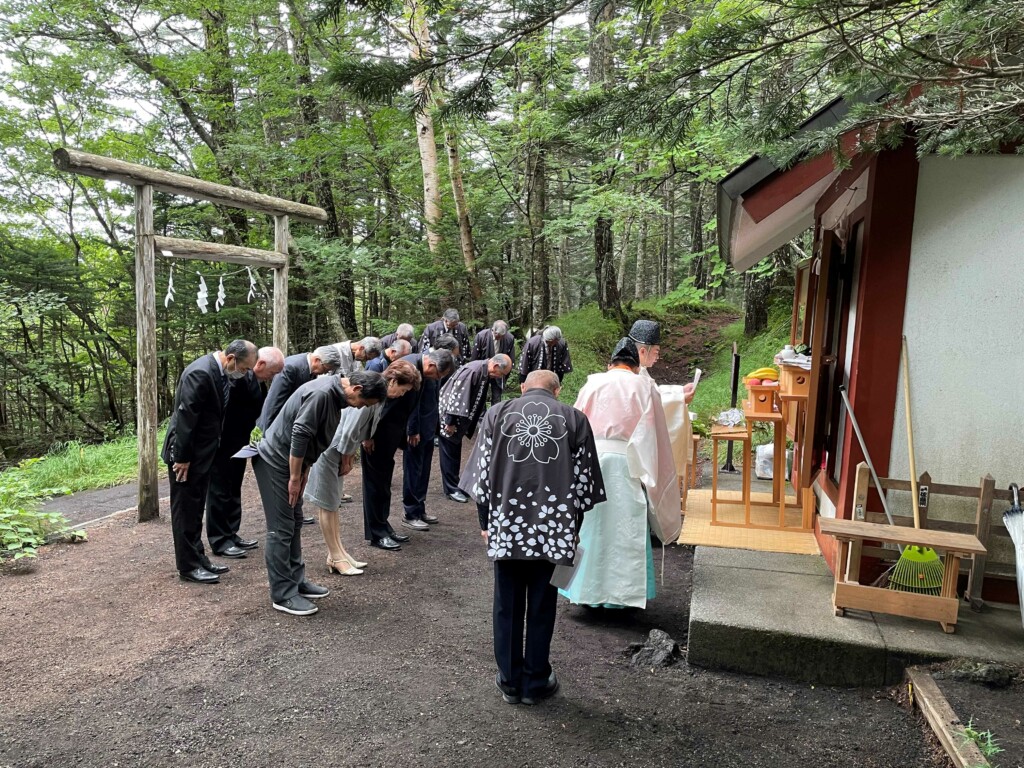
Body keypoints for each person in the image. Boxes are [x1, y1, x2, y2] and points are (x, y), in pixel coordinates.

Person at [459, 370, 606, 706]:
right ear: (557, 390)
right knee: (542, 604)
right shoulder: (575, 418)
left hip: (507, 526)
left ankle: (510, 680)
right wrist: (572, 529)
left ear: (523, 387)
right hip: (553, 529)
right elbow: (584, 488)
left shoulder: (497, 414)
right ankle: (536, 680)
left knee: (506, 604)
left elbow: (481, 479)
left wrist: (486, 524)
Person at [252, 369, 387, 615]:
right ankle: (283, 594)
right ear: (356, 389)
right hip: (275, 462)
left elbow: (314, 438)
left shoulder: (335, 395)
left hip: (293, 464)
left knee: (295, 521)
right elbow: (300, 433)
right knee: (281, 528)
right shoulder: (323, 393)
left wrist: (304, 471)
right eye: (363, 403)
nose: (359, 408)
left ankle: (296, 579)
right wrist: (294, 477)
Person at [561, 338, 681, 609]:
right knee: (625, 529)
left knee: (589, 525)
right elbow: (656, 432)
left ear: (610, 364)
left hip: (592, 460)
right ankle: (622, 598)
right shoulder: (644, 386)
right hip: (628, 461)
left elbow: (575, 422)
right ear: (636, 366)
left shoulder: (592, 383)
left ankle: (582, 592)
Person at [303, 361, 422, 575]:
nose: (403, 395)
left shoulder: (380, 397)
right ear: (392, 381)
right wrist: (348, 457)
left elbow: (364, 428)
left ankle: (338, 553)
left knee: (334, 503)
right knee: (327, 504)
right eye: (402, 390)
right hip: (331, 449)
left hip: (338, 449)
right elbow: (348, 430)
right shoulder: (371, 391)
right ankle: (335, 556)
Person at [162, 340, 257, 584]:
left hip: (203, 454)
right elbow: (186, 416)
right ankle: (188, 566)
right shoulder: (200, 372)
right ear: (232, 358)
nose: (245, 374)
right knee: (186, 511)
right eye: (245, 368)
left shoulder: (219, 371)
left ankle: (199, 558)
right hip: (187, 456)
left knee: (195, 510)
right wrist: (182, 458)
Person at [362, 350, 454, 550]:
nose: (436, 380)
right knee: (375, 486)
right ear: (431, 366)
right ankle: (376, 533)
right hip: (377, 437)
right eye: (438, 375)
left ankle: (384, 527)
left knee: (384, 485)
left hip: (391, 436)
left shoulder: (418, 370)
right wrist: (367, 435)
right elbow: (378, 404)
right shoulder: (404, 368)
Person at [205, 346, 285, 559]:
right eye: (273, 372)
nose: (274, 377)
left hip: (241, 443)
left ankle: (231, 532)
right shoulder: (238, 378)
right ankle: (220, 540)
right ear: (260, 365)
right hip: (223, 444)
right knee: (219, 491)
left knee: (233, 488)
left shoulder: (257, 382)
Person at [629, 319, 696, 504]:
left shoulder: (638, 369)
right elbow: (650, 401)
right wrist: (679, 398)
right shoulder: (633, 372)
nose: (658, 357)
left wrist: (679, 392)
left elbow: (654, 391)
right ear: (643, 351)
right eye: (656, 352)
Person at [437, 355, 513, 503]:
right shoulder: (473, 371)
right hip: (450, 417)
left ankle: (455, 484)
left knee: (454, 450)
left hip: (457, 417)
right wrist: (450, 422)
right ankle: (451, 488)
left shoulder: (483, 371)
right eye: (502, 374)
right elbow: (456, 396)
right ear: (496, 366)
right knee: (449, 452)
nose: (500, 377)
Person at [258, 345, 342, 430]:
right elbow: (274, 402)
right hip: (274, 425)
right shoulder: (290, 368)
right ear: (317, 360)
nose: (324, 373)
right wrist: (267, 432)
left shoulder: (310, 369)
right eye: (325, 369)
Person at [472, 320, 516, 406]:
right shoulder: (481, 336)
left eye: (501, 336)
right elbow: (475, 357)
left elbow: (510, 358)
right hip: (484, 369)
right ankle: (481, 415)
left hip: (499, 371)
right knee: (480, 395)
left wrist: (506, 373)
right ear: (493, 330)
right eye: (497, 335)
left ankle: (495, 415)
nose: (499, 337)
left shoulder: (509, 338)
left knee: (497, 396)